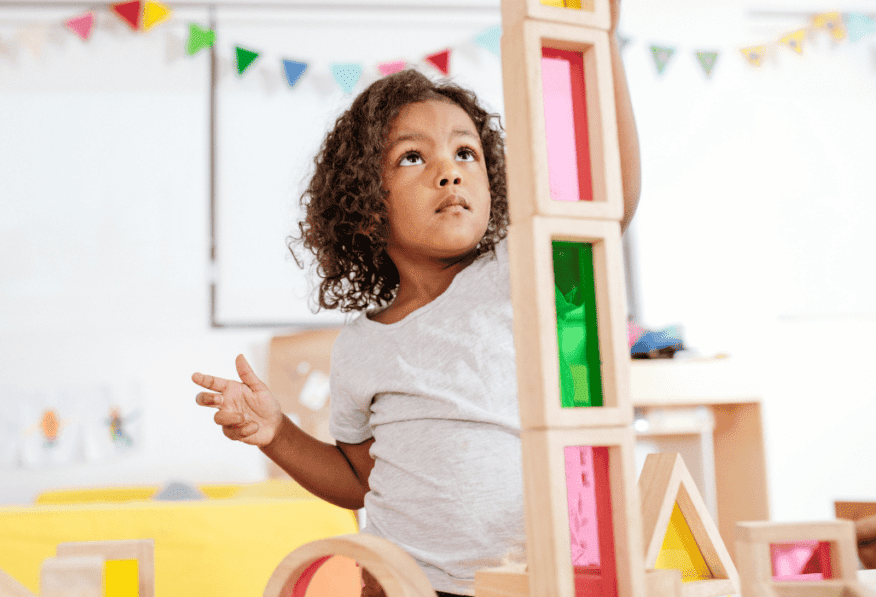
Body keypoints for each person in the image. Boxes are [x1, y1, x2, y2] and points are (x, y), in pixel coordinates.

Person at [193, 2, 639, 594]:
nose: (448, 172)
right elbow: (358, 479)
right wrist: (278, 432)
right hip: (406, 583)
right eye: (412, 156)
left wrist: (601, 40)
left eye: (466, 152)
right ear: (366, 202)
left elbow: (611, 198)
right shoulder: (361, 346)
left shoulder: (519, 270)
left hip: (533, 580)